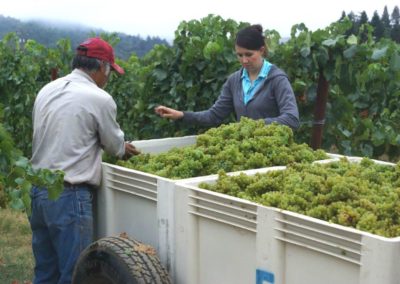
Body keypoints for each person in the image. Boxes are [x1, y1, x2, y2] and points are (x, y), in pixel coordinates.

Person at [29, 37, 139, 284]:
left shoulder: (48, 89)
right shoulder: (99, 98)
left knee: (46, 272)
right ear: (101, 67)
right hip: (69, 195)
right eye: (110, 71)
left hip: (39, 191)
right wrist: (124, 149)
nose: (108, 78)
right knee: (75, 274)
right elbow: (113, 145)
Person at [155, 24, 300, 130]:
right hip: (245, 152)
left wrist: (254, 126)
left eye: (249, 54)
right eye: (239, 55)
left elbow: (292, 119)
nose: (244, 60)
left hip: (275, 153)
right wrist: (181, 115)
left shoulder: (277, 79)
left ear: (261, 50)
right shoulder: (234, 81)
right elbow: (214, 116)